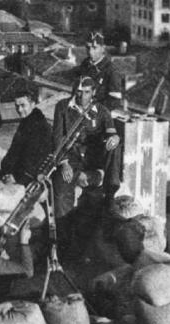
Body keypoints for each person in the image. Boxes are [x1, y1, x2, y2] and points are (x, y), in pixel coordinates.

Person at [52, 76, 121, 227]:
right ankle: (63, 230)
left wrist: (115, 138)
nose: (82, 96)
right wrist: (64, 163)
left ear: (93, 92)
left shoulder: (102, 111)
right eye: (78, 92)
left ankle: (110, 193)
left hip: (92, 158)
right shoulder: (63, 107)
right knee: (61, 192)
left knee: (114, 144)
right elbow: (57, 138)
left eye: (86, 92)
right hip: (70, 158)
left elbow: (111, 132)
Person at [0, 86, 53, 186]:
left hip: (25, 177)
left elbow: (34, 160)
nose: (19, 110)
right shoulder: (27, 121)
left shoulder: (40, 127)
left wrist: (16, 177)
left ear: (33, 104)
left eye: (23, 105)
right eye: (17, 106)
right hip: (14, 172)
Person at [75, 31, 123, 111]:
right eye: (88, 48)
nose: (90, 52)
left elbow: (115, 101)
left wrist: (93, 110)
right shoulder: (86, 63)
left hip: (98, 115)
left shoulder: (111, 71)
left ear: (103, 48)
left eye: (94, 48)